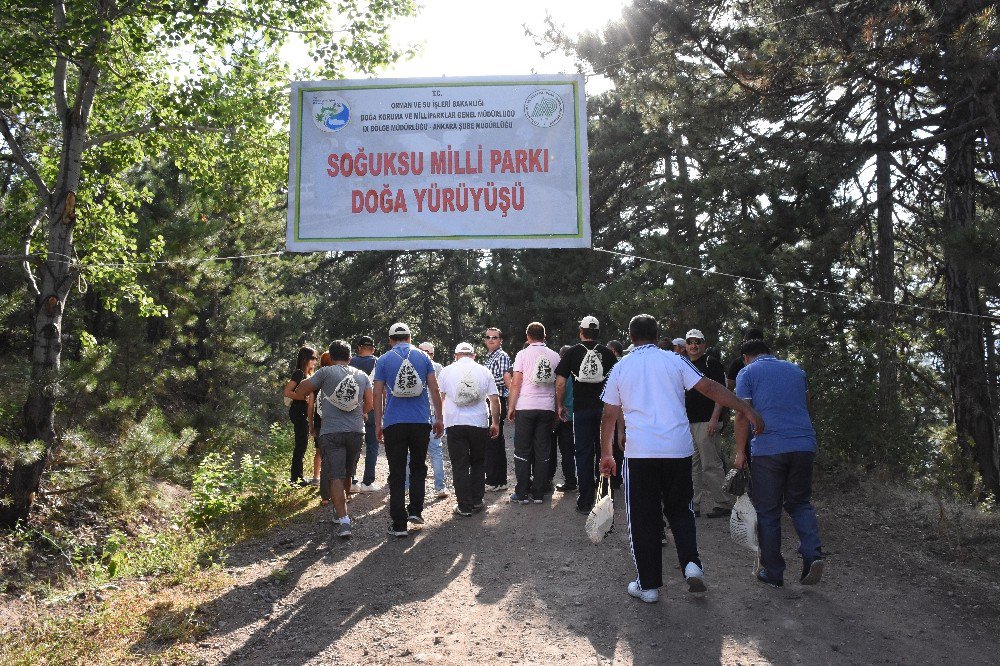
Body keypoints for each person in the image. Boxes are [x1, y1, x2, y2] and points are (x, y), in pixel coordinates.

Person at [599, 314, 764, 603]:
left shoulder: (621, 367)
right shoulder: (675, 361)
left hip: (641, 454)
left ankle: (648, 585)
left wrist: (607, 454)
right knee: (681, 510)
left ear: (631, 336)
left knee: (643, 518)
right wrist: (745, 409)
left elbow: (609, 414)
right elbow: (710, 387)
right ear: (656, 333)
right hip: (677, 449)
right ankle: (691, 564)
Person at [734, 339, 824, 588]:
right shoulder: (796, 370)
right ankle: (812, 554)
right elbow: (806, 405)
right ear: (769, 353)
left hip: (769, 449)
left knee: (768, 511)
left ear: (745, 357)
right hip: (804, 445)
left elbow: (742, 414)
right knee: (799, 503)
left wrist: (740, 452)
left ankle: (773, 572)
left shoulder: (747, 372)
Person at [290, 340, 373, 538]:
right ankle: (339, 510)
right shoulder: (361, 376)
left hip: (331, 431)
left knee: (335, 474)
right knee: (346, 473)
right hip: (356, 431)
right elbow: (369, 404)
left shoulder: (325, 373)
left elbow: (300, 390)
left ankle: (344, 520)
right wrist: (359, 413)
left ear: (332, 357)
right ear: (350, 357)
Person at [373, 323, 444, 538]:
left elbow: (377, 394)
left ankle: (399, 524)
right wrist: (438, 418)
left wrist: (378, 423)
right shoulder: (424, 358)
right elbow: (434, 388)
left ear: (390, 339)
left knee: (396, 472)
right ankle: (416, 511)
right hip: (421, 421)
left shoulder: (384, 359)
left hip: (394, 422)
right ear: (410, 337)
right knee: (418, 466)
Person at [555, 315, 618, 514]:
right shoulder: (608, 353)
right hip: (604, 411)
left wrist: (560, 405)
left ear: (581, 332)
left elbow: (560, 383)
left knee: (583, 454)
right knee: (605, 452)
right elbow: (617, 382)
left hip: (581, 410)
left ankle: (584, 502)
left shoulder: (572, 353)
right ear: (598, 333)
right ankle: (605, 499)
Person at [437, 342, 501, 516]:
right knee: (478, 462)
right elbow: (494, 399)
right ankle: (477, 501)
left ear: (456, 355)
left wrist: (439, 420)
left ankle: (464, 506)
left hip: (455, 422)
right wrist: (495, 423)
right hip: (479, 422)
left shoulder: (446, 371)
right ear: (473, 355)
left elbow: (440, 398)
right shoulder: (484, 371)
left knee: (459, 465)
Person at [507, 321, 561, 504]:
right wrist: (557, 406)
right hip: (546, 407)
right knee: (542, 450)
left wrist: (511, 406)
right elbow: (558, 384)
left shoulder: (522, 354)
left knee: (522, 449)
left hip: (525, 406)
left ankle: (521, 492)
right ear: (544, 336)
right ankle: (538, 493)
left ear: (527, 336)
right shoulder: (555, 356)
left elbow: (516, 383)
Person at [684, 328, 732, 519]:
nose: (693, 346)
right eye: (690, 342)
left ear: (704, 344)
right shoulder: (683, 364)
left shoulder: (711, 363)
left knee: (710, 464)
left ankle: (724, 502)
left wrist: (715, 418)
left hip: (707, 422)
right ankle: (693, 504)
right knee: (691, 466)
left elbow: (721, 393)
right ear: (686, 345)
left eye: (698, 342)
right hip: (688, 422)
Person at [483, 327, 513, 492]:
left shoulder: (501, 356)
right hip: (490, 400)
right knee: (494, 440)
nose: (491, 339)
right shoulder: (490, 357)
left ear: (500, 340)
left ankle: (495, 480)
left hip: (496, 400)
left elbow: (502, 380)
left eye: (495, 337)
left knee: (493, 439)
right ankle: (497, 480)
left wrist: (482, 381)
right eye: (488, 337)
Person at [349, 336, 381, 492]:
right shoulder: (378, 362)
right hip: (373, 407)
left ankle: (351, 480)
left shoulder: (350, 362)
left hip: (353, 407)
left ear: (359, 347)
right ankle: (367, 482)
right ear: (373, 349)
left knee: (353, 445)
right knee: (372, 445)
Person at [282, 346, 317, 486]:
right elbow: (287, 391)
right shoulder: (299, 373)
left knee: (302, 445)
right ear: (305, 359)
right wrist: (302, 397)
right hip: (298, 412)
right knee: (300, 446)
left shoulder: (308, 374)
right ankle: (296, 479)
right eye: (312, 358)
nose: (315, 361)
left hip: (303, 413)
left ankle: (297, 477)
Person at [417, 342, 448, 499]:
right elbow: (441, 393)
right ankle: (440, 487)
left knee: (413, 451)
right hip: (433, 413)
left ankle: (408, 485)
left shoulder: (414, 364)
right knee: (436, 450)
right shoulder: (438, 368)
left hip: (418, 414)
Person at [548, 345, 577, 492]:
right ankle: (571, 481)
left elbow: (555, 392)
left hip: (557, 416)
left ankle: (548, 479)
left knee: (551, 449)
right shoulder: (577, 374)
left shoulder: (559, 374)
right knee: (568, 452)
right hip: (572, 416)